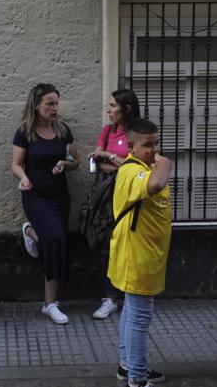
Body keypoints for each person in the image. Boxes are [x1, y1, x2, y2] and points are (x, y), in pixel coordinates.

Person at [108, 118, 171, 387]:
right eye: (147, 145)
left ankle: (129, 366)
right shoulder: (132, 171)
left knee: (132, 311)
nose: (154, 150)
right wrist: (165, 164)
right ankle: (137, 377)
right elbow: (154, 185)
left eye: (156, 143)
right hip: (137, 255)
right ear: (131, 146)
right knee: (140, 315)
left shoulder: (144, 166)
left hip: (145, 253)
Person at [12, 83, 79, 324]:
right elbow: (16, 165)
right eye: (50, 103)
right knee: (54, 239)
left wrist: (65, 163)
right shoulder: (25, 132)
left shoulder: (63, 131)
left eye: (56, 103)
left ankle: (49, 303)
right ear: (37, 105)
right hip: (35, 195)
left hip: (59, 196)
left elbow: (76, 161)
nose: (54, 108)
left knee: (57, 241)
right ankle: (50, 305)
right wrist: (24, 178)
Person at [87, 89, 141, 320]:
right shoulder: (107, 130)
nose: (108, 111)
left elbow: (135, 165)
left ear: (127, 109)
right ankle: (110, 298)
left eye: (113, 106)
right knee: (106, 246)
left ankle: (131, 295)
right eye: (108, 106)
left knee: (130, 245)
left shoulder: (137, 133)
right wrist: (115, 162)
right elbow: (95, 162)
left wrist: (108, 157)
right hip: (107, 198)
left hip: (129, 198)